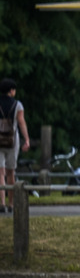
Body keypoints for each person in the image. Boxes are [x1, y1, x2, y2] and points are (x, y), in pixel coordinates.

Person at [0, 79, 30, 213]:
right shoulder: (18, 105)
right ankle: (11, 204)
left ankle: (2, 203)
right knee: (11, 172)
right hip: (12, 141)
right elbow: (21, 123)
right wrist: (27, 139)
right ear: (11, 90)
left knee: (0, 173)